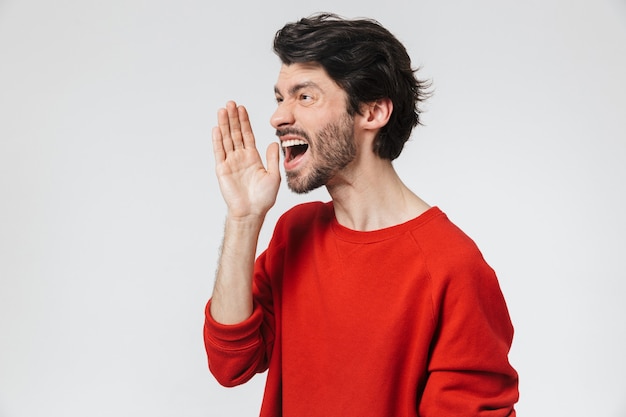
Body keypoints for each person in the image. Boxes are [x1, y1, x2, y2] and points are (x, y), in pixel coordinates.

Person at [204, 13, 519, 416]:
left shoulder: (452, 268)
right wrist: (243, 219)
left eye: (305, 96)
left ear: (372, 113)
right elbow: (230, 364)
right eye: (280, 98)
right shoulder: (294, 233)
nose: (279, 117)